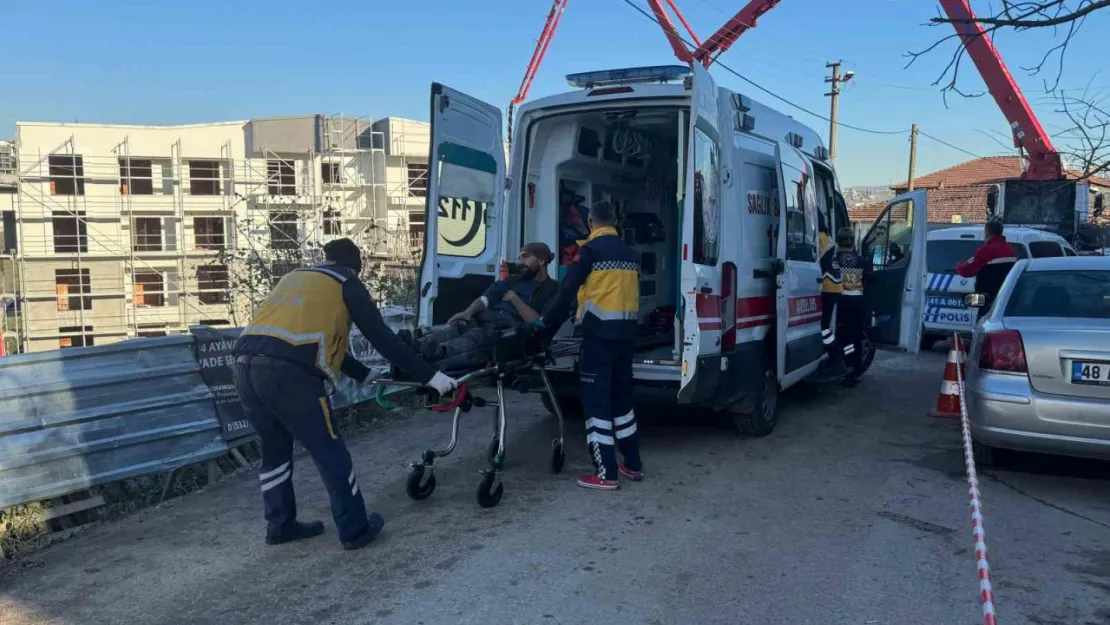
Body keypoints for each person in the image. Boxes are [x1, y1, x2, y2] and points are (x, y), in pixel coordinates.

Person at [232, 238, 457, 550]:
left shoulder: (293, 277)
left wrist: (362, 373)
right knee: (330, 451)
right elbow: (381, 337)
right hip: (290, 377)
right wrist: (432, 376)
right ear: (355, 266)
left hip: (244, 367)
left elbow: (299, 339)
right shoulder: (347, 283)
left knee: (275, 451)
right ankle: (355, 529)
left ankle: (280, 525)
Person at [535, 201, 643, 491]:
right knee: (623, 403)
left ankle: (606, 473)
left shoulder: (590, 253)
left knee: (597, 406)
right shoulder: (632, 255)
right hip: (626, 338)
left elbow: (566, 293)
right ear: (615, 222)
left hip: (598, 339)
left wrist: (544, 326)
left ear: (591, 222)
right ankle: (632, 465)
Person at [418, 242, 557, 362]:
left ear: (541, 260)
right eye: (519, 258)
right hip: (487, 318)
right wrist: (468, 312)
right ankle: (416, 343)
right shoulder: (513, 280)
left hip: (510, 330)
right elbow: (487, 297)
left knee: (478, 336)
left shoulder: (552, 289)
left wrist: (514, 299)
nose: (520, 262)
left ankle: (440, 351)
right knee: (456, 327)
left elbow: (539, 322)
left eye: (525, 257)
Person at [956, 219, 1017, 320]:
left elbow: (967, 270)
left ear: (987, 232)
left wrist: (959, 265)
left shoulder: (986, 250)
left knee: (982, 327)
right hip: (1004, 299)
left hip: (986, 300)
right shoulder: (1010, 250)